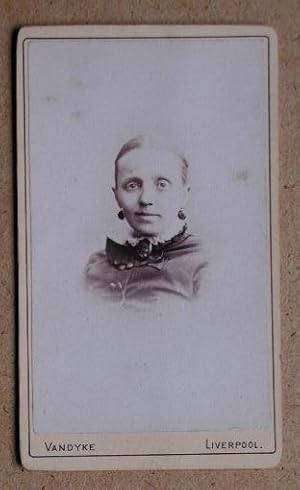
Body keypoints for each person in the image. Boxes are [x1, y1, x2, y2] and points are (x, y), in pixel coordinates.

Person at [85, 135, 207, 308]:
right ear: (116, 195)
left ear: (183, 194)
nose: (146, 199)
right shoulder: (96, 263)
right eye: (132, 185)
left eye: (162, 185)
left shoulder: (204, 266)